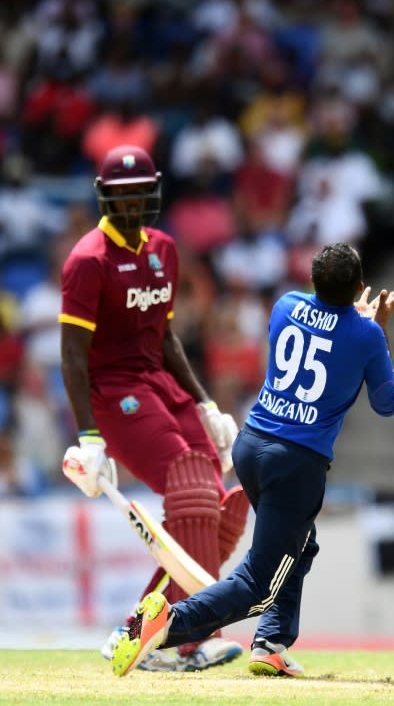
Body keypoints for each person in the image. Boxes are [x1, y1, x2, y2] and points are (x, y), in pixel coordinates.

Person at [106, 241, 394, 678]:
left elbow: (325, 331)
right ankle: (166, 624)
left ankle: (270, 642)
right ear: (360, 286)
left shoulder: (287, 304)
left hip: (251, 445)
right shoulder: (367, 335)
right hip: (296, 462)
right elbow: (387, 402)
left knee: (299, 545)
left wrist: (360, 324)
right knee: (259, 583)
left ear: (313, 280)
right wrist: (380, 328)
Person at [59, 144, 249, 672]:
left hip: (162, 384)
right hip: (114, 393)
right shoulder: (87, 261)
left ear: (155, 191)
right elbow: (72, 355)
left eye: (141, 192)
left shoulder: (164, 249)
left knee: (219, 509)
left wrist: (205, 402)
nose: (133, 203)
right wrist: (89, 436)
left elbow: (165, 337)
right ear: (104, 197)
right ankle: (182, 640)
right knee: (192, 493)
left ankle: (137, 636)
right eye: (122, 195)